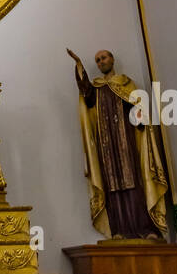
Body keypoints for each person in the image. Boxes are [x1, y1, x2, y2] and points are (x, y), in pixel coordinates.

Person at [66, 47, 167, 239]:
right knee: (112, 186)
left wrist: (139, 117)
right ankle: (119, 230)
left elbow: (138, 111)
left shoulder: (127, 83)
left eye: (103, 58)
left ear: (112, 59)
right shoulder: (95, 88)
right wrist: (79, 65)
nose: (101, 62)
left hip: (126, 141)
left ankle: (145, 228)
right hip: (106, 146)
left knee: (134, 182)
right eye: (97, 60)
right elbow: (85, 92)